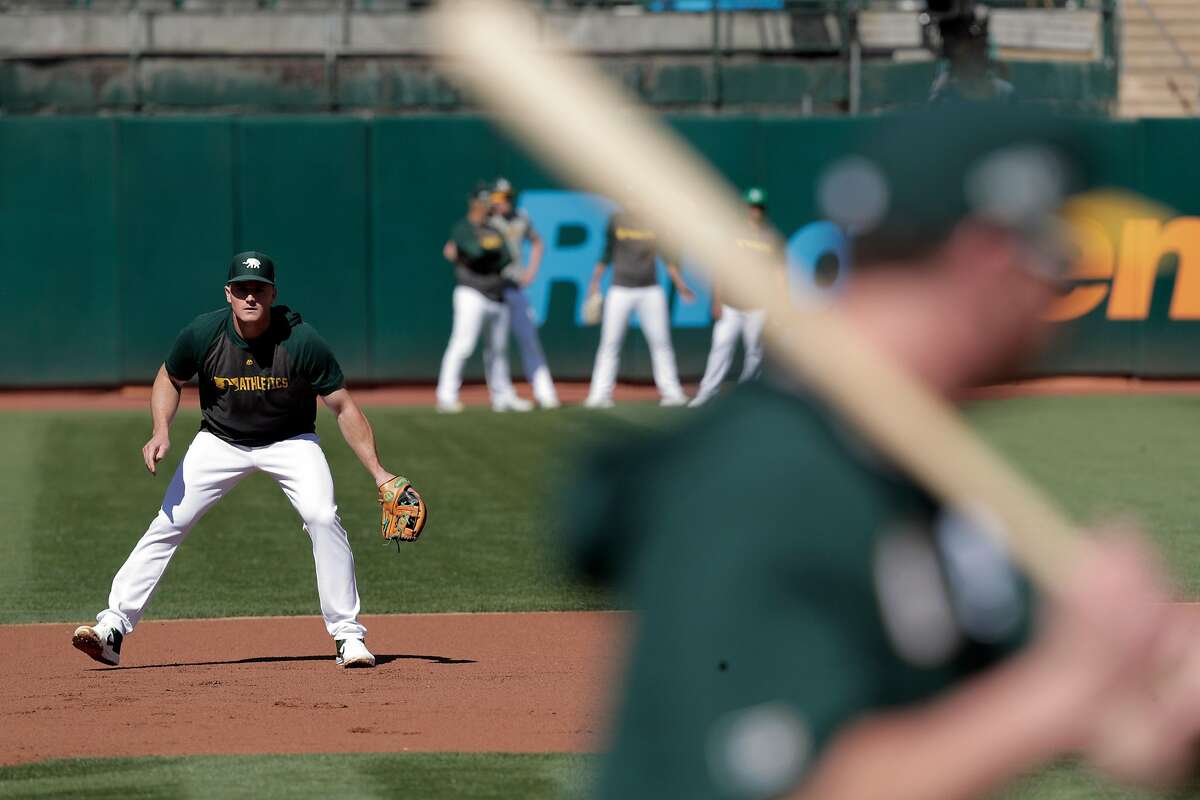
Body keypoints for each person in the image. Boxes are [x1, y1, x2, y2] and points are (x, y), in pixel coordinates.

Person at [563, 107, 1200, 799]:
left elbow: (1101, 717)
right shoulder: (775, 476)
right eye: (1062, 259)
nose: (1067, 289)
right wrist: (1059, 695)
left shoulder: (906, 472)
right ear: (987, 258)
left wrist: (1153, 696)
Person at [72, 252, 397, 669]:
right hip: (220, 440)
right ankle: (112, 628)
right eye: (241, 288)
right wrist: (161, 429)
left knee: (322, 515)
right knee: (171, 521)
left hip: (290, 441)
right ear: (228, 294)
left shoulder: (301, 341)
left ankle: (348, 635)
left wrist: (378, 472)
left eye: (258, 289)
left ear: (272, 293)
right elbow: (169, 377)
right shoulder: (204, 332)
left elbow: (344, 407)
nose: (250, 297)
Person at [583, 208, 695, 408]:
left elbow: (667, 257)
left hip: (650, 290)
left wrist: (680, 285)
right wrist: (594, 282)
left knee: (661, 343)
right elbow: (607, 253)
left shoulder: (654, 220)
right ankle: (599, 395)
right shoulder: (616, 220)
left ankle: (672, 393)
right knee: (610, 344)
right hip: (620, 289)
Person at [436, 187, 532, 414]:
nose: (491, 206)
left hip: (496, 293)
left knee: (498, 349)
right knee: (463, 344)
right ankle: (446, 396)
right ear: (476, 204)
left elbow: (507, 257)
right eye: (486, 202)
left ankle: (502, 397)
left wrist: (480, 255)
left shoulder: (494, 228)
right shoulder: (463, 227)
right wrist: (483, 254)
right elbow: (475, 251)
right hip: (471, 292)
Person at [689, 187, 776, 408]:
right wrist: (716, 299)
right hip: (731, 304)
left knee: (754, 352)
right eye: (750, 206)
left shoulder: (770, 238)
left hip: (757, 306)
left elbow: (777, 273)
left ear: (762, 211)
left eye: (758, 207)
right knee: (721, 347)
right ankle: (707, 391)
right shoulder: (733, 235)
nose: (754, 211)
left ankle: (748, 395)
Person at [489, 177, 561, 409]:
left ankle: (545, 393)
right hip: (494, 290)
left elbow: (538, 242)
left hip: (516, 287)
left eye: (506, 197)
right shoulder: (489, 221)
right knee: (495, 346)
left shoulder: (521, 217)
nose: (503, 202)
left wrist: (531, 272)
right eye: (499, 198)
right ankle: (501, 395)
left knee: (529, 340)